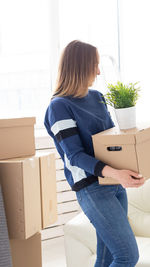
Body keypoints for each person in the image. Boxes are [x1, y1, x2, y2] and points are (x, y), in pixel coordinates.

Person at [44, 40, 143, 267]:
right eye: (94, 65)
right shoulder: (59, 107)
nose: (98, 71)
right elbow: (75, 156)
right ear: (80, 66)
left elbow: (113, 141)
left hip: (114, 185)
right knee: (128, 256)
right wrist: (116, 174)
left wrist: (145, 161)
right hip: (92, 189)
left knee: (107, 257)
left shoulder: (97, 97)